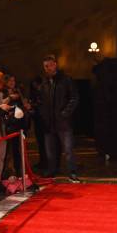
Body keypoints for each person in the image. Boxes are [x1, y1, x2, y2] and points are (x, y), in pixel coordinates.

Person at [38, 54, 80, 182]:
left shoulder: (66, 80)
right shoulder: (44, 82)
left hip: (63, 121)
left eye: (49, 65)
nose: (47, 68)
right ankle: (51, 170)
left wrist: (65, 113)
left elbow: (74, 98)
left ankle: (72, 172)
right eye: (45, 66)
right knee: (50, 149)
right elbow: (41, 101)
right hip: (49, 121)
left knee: (68, 149)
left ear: (55, 64)